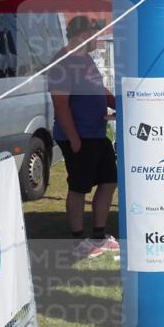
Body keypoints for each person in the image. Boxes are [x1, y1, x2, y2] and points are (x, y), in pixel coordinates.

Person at [48, 17, 120, 259]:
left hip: (97, 132)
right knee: (79, 187)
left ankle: (98, 236)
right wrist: (74, 138)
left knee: (109, 180)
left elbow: (99, 89)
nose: (97, 39)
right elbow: (60, 105)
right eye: (94, 34)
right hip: (78, 135)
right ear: (81, 34)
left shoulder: (86, 59)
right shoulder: (62, 62)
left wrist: (117, 102)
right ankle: (78, 241)